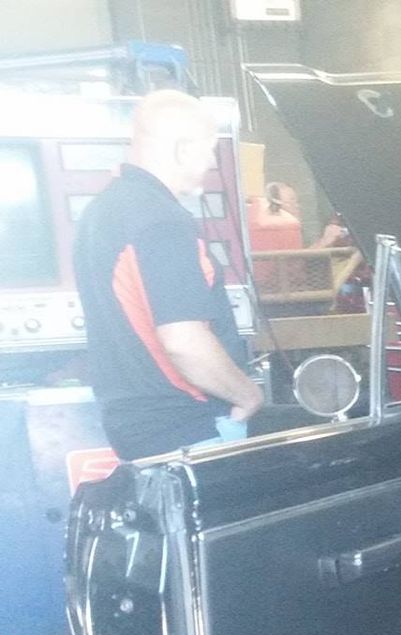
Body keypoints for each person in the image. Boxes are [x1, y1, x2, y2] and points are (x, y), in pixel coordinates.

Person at [73, 89, 262, 460]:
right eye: (209, 150)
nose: (211, 163)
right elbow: (183, 341)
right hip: (188, 430)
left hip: (136, 429)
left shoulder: (100, 212)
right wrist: (247, 395)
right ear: (183, 148)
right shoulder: (162, 222)